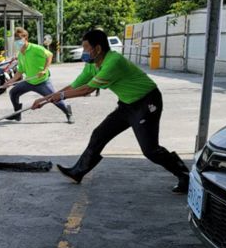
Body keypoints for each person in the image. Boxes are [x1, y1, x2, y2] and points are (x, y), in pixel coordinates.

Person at [32, 29, 190, 193]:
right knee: (99, 134)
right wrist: (45, 99)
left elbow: (86, 90)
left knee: (150, 150)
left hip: (147, 102)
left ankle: (185, 175)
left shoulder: (113, 62)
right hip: (126, 105)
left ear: (98, 48)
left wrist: (61, 96)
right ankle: (78, 172)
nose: (84, 52)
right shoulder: (92, 66)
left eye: (87, 48)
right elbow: (75, 86)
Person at [3, 27, 74, 123]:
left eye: (19, 39)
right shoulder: (20, 54)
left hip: (42, 82)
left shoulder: (35, 48)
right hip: (28, 81)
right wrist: (10, 82)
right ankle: (17, 114)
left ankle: (68, 112)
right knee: (13, 93)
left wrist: (45, 70)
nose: (17, 41)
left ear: (25, 38)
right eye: (16, 39)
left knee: (54, 98)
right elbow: (21, 71)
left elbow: (49, 55)